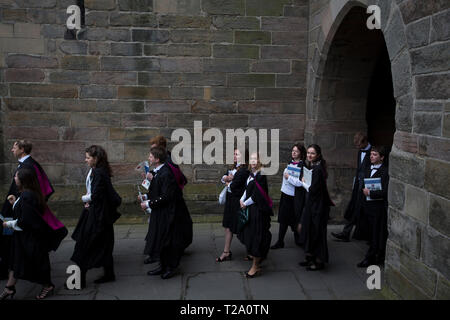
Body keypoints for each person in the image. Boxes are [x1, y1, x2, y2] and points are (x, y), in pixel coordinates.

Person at [0, 140, 57, 280]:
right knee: (12, 242)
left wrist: (18, 206)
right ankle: (10, 275)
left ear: (22, 149)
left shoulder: (28, 166)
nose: (12, 150)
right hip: (16, 206)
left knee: (12, 241)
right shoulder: (27, 163)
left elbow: (35, 190)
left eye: (14, 147)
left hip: (19, 211)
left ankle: (10, 272)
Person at [70, 145, 121, 288]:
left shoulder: (99, 172)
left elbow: (97, 195)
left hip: (97, 216)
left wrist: (85, 199)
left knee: (84, 245)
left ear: (96, 158)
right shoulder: (97, 170)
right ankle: (109, 274)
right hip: (98, 213)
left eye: (88, 157)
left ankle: (79, 281)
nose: (85, 160)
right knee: (104, 244)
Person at [0, 168, 55, 300]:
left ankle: (48, 286)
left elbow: (26, 221)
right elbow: (25, 212)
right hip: (24, 237)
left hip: (30, 238)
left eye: (16, 177)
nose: (14, 179)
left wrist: (9, 224)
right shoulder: (27, 194)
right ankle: (9, 288)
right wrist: (15, 203)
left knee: (36, 263)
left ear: (23, 180)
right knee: (16, 262)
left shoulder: (27, 196)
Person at [141, 147, 191, 279]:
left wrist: (148, 204)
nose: (149, 159)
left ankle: (171, 267)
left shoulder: (165, 173)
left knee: (168, 241)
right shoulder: (158, 172)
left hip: (167, 213)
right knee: (160, 240)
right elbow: (157, 191)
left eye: (151, 157)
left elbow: (166, 196)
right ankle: (162, 266)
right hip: (159, 212)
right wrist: (146, 197)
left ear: (157, 159)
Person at [298, 144, 334, 271]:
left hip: (318, 207)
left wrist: (303, 183)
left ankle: (319, 262)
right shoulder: (312, 166)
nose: (309, 155)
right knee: (309, 231)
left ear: (318, 155)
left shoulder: (318, 169)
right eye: (308, 153)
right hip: (311, 204)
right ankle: (310, 257)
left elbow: (313, 189)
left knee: (317, 233)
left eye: (312, 153)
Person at [238, 153, 273, 277]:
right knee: (249, 234)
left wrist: (245, 203)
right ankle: (256, 257)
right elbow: (247, 190)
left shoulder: (261, 174)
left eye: (256, 159)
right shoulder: (250, 174)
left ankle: (255, 266)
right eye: (251, 159)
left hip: (258, 211)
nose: (253, 161)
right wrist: (241, 200)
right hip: (250, 209)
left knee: (257, 236)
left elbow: (257, 195)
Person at [332, 132, 371, 242]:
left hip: (366, 186)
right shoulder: (360, 151)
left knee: (361, 210)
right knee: (354, 208)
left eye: (358, 145)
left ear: (365, 142)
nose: (357, 147)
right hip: (358, 184)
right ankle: (347, 233)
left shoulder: (372, 152)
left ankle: (353, 234)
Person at [357, 146, 389, 268]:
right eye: (371, 154)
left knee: (376, 233)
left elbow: (385, 192)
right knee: (369, 233)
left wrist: (371, 193)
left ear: (382, 157)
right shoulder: (367, 168)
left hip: (377, 208)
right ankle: (376, 253)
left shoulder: (385, 172)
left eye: (375, 154)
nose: (371, 156)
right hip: (367, 207)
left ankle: (370, 257)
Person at [216, 148, 250, 262]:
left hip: (238, 201)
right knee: (228, 226)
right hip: (230, 200)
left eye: (237, 154)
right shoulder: (233, 167)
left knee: (242, 227)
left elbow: (233, 186)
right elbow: (224, 177)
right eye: (234, 153)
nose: (235, 156)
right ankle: (226, 252)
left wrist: (228, 181)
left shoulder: (244, 170)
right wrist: (226, 179)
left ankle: (252, 252)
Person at [271, 143, 307, 249]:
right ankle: (280, 241)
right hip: (285, 195)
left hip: (295, 197)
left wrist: (288, 178)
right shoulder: (289, 163)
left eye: (296, 151)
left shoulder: (303, 166)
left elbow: (301, 183)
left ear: (301, 153)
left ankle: (298, 239)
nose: (293, 152)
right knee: (283, 219)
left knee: (295, 218)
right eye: (293, 150)